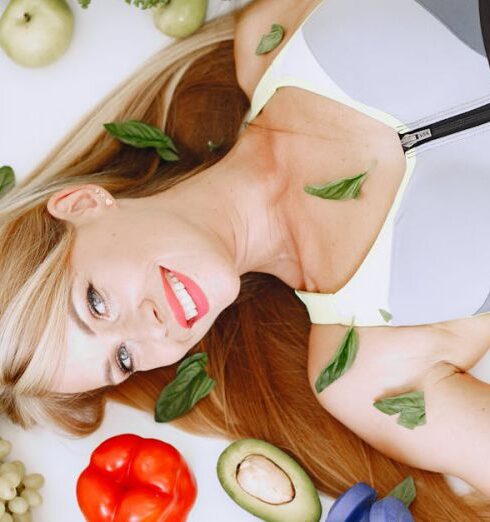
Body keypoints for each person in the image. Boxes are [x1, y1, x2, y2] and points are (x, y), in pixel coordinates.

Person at [2, 0, 490, 518]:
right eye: (123, 359)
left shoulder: (272, 37)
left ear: (82, 203)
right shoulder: (363, 371)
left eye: (96, 303)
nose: (150, 331)